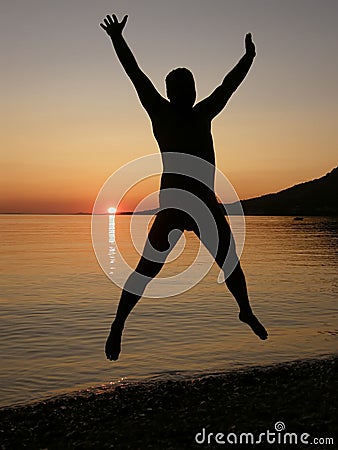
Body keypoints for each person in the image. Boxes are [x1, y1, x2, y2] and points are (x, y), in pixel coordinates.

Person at [100, 14, 268, 361]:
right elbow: (136, 75)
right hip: (174, 207)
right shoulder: (160, 112)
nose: (188, 94)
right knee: (147, 270)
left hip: (205, 203)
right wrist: (117, 38)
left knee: (230, 262)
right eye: (181, 89)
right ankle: (118, 324)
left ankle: (245, 310)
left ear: (193, 91)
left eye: (190, 88)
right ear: (170, 92)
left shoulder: (202, 112)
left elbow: (227, 86)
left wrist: (248, 58)